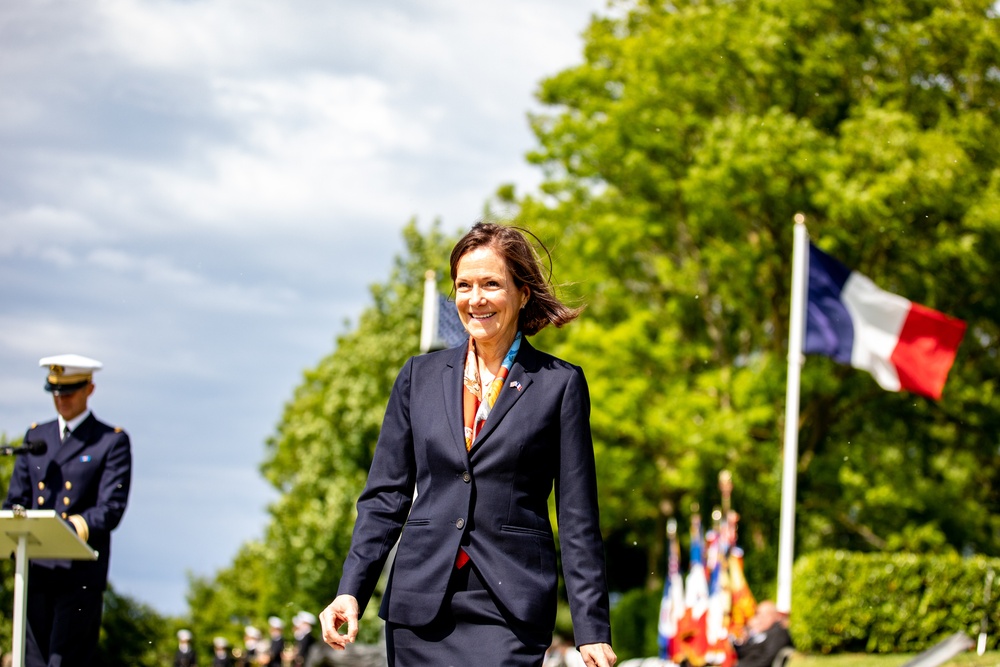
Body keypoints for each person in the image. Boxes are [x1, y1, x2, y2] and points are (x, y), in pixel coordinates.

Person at [319, 222, 616, 667]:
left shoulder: (560, 385)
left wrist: (591, 629)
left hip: (509, 607)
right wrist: (351, 589)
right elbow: (385, 497)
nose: (475, 299)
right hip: (419, 604)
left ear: (522, 293)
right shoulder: (417, 377)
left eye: (491, 284)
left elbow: (577, 517)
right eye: (464, 285)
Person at [2, 354, 133, 667]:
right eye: (56, 392)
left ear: (89, 389)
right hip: (35, 569)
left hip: (79, 574)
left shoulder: (109, 441)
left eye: (70, 391)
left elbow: (110, 510)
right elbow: (17, 499)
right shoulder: (36, 437)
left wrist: (68, 528)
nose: (61, 400)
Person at [732, 601, 793, 667]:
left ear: (773, 616)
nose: (759, 619)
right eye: (758, 615)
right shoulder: (768, 631)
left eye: (762, 615)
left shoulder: (778, 633)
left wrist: (738, 665)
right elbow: (748, 651)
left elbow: (767, 660)